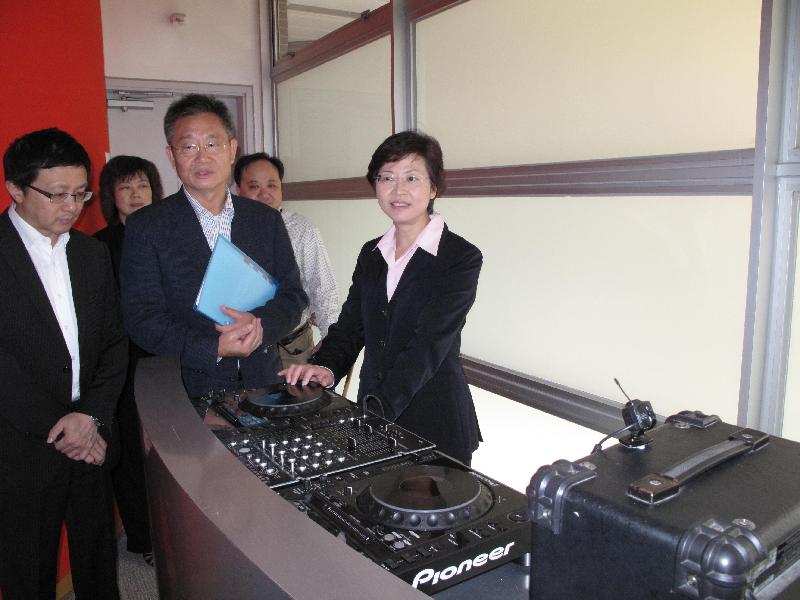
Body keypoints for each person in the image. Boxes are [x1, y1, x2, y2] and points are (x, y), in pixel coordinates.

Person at [281, 131, 482, 464]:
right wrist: (326, 368)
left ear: (434, 188)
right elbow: (350, 327)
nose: (398, 189)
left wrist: (375, 412)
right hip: (373, 416)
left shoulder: (460, 257)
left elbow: (428, 345)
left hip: (435, 423)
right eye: (387, 177)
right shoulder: (372, 253)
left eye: (412, 178)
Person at [0, 128, 127, 599]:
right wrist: (62, 426)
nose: (72, 206)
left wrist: (91, 417)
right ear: (16, 188)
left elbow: (114, 344)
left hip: (90, 427)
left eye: (80, 193)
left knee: (97, 557)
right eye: (56, 195)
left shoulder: (92, 254)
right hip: (22, 442)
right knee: (27, 567)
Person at [120, 94, 307, 400]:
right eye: (189, 147)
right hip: (186, 389)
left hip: (263, 384)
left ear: (232, 150)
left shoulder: (265, 219)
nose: (202, 157)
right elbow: (142, 318)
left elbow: (293, 296)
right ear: (171, 156)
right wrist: (213, 347)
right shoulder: (147, 226)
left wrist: (260, 326)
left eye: (212, 144)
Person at [94, 155, 163, 566]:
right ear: (111, 196)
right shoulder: (98, 246)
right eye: (126, 187)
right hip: (122, 364)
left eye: (143, 185)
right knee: (131, 457)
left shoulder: (171, 237)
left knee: (173, 449)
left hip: (168, 359)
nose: (136, 194)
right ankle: (143, 539)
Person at [234, 153, 339, 366]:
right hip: (242, 346)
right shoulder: (228, 230)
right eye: (254, 186)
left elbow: (324, 290)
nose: (265, 194)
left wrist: (333, 346)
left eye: (272, 185)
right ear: (238, 190)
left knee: (299, 399)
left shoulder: (302, 229)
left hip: (292, 347)